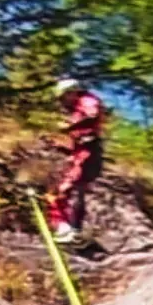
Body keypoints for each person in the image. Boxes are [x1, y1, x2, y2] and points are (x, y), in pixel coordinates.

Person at [47, 77, 106, 244]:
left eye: (63, 98)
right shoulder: (79, 108)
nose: (63, 103)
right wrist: (60, 146)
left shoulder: (86, 101)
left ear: (70, 93)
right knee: (78, 191)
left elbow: (92, 116)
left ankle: (65, 228)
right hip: (86, 151)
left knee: (63, 190)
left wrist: (69, 127)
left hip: (88, 151)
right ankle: (75, 229)